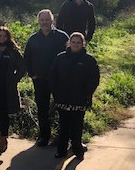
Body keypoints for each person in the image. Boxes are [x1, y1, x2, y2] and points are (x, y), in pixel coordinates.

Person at [50, 32, 100, 160]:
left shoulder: (89, 60)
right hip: (63, 98)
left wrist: (86, 93)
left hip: (80, 99)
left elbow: (94, 79)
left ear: (83, 44)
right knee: (64, 126)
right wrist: (56, 92)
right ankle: (61, 150)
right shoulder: (60, 58)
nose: (76, 45)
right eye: (73, 42)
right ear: (69, 43)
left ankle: (77, 149)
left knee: (77, 126)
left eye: (78, 43)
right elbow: (53, 76)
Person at [24, 9, 69, 147]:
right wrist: (32, 75)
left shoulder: (62, 37)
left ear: (52, 20)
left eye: (47, 19)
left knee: (63, 109)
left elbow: (70, 57)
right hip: (40, 80)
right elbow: (26, 59)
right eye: (42, 20)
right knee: (42, 109)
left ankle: (64, 138)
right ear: (38, 21)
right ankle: (44, 136)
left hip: (59, 81)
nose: (45, 22)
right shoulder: (33, 38)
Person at [0, 26, 26, 153]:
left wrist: (14, 79)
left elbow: (22, 67)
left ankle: (4, 139)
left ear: (8, 37)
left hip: (7, 87)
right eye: (0, 35)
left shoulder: (13, 51)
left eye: (5, 36)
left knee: (4, 113)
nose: (2, 38)